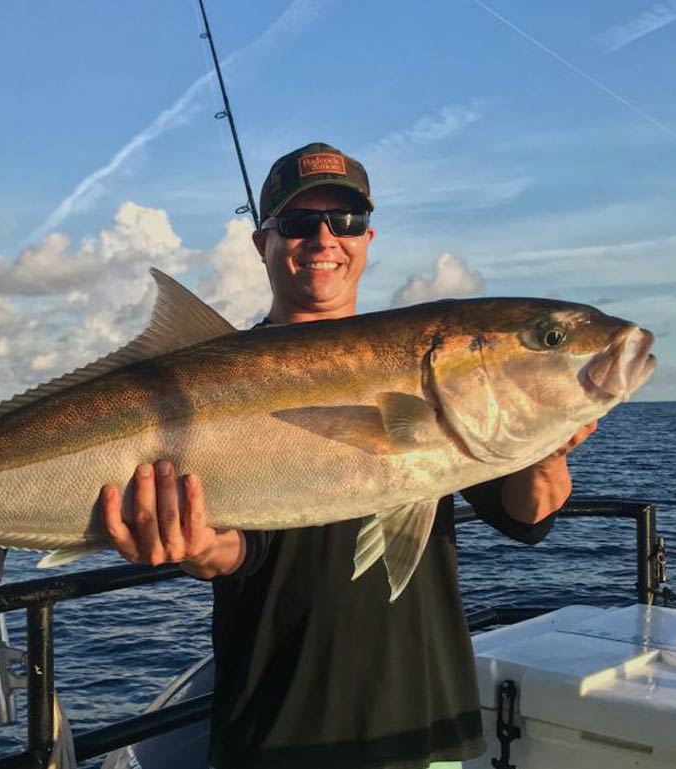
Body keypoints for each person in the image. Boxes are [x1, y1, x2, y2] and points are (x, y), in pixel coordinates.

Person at [100, 142, 596, 769]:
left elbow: (528, 518)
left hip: (421, 726)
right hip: (276, 729)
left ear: (368, 237)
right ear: (263, 244)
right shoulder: (212, 370)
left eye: (347, 221)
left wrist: (548, 448)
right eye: (301, 223)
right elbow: (238, 551)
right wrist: (196, 546)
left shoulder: (433, 373)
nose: (325, 238)